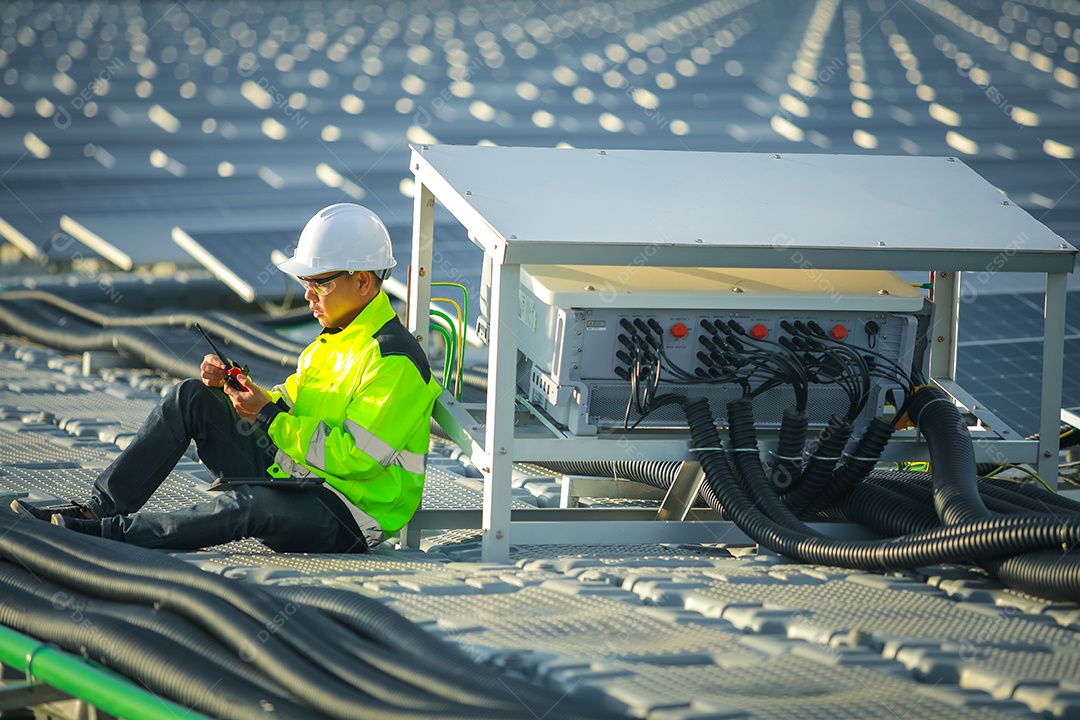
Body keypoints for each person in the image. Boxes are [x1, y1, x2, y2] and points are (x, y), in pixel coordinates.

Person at [11, 203, 442, 553]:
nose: (308, 296)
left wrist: (269, 416)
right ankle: (96, 512)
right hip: (299, 476)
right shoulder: (333, 342)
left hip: (347, 514)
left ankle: (106, 538)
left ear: (364, 282)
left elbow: (357, 459)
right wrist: (243, 391)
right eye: (306, 282)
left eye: (319, 284)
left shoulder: (394, 360)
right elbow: (293, 405)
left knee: (248, 507)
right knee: (193, 396)